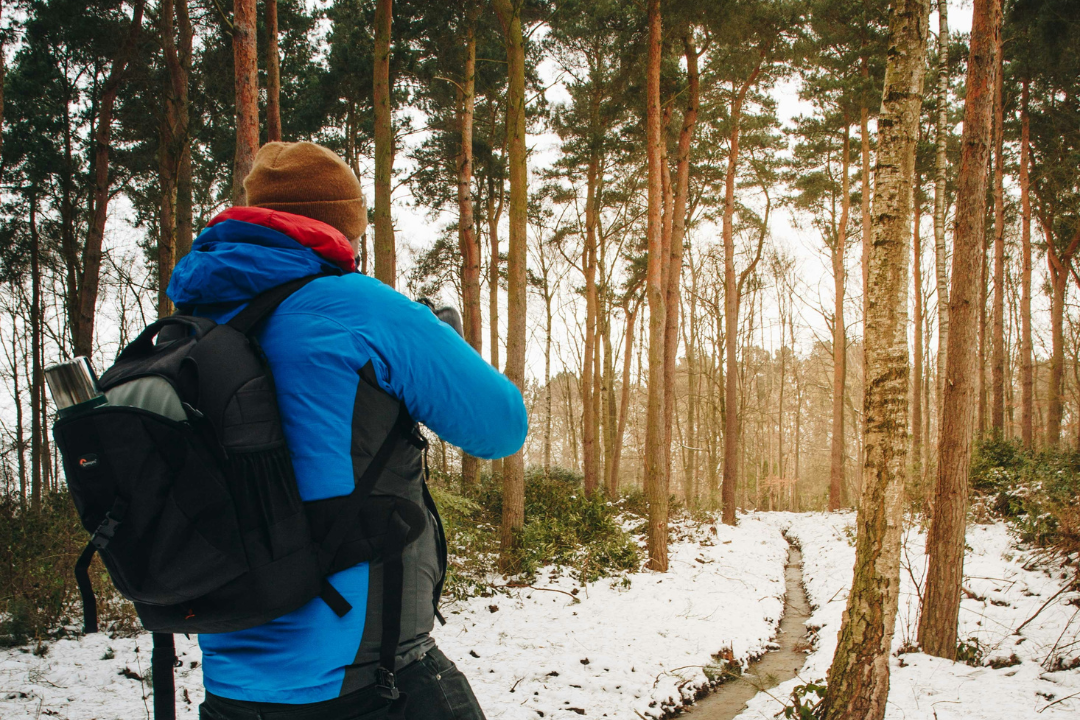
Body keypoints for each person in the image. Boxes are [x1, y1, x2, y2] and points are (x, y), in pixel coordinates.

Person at [166, 141, 528, 720]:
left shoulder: (192, 326)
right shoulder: (357, 307)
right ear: (341, 226)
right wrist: (439, 342)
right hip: (368, 681)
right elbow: (501, 426)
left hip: (231, 688)